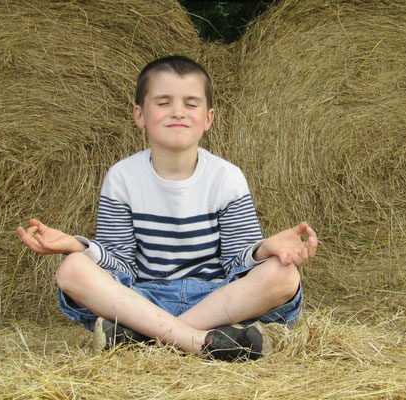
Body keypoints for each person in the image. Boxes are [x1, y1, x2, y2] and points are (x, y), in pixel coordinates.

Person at [17, 55, 318, 362]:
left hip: (216, 298)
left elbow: (236, 264)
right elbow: (120, 265)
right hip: (143, 298)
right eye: (163, 102)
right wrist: (76, 246)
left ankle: (145, 337)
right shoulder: (122, 177)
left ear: (209, 117)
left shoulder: (227, 178)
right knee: (72, 269)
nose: (177, 112)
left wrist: (265, 249)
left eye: (191, 103)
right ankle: (202, 341)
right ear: (139, 115)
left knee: (283, 275)